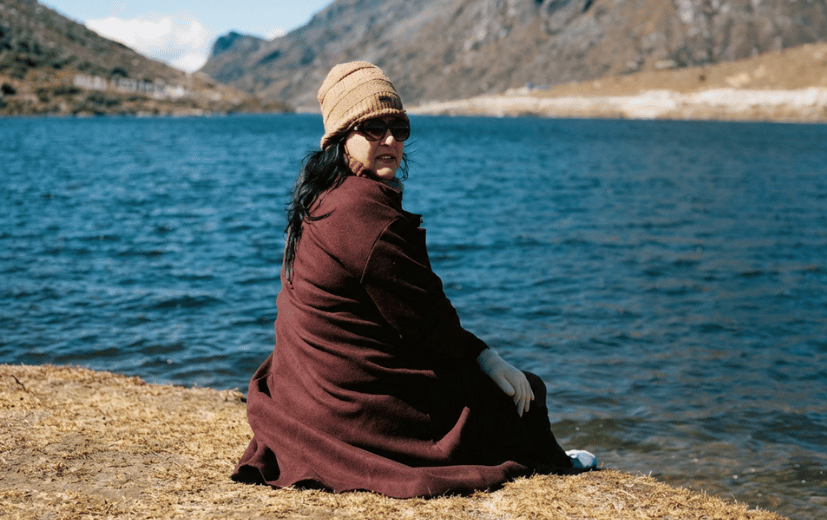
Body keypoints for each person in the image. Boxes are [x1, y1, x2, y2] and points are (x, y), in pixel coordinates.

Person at [231, 61, 596, 498]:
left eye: (399, 127)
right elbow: (428, 323)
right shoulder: (362, 214)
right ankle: (555, 462)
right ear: (341, 137)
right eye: (373, 128)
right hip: (347, 408)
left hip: (302, 396)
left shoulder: (323, 196)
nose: (389, 140)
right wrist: (487, 358)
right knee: (523, 393)